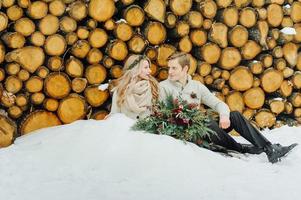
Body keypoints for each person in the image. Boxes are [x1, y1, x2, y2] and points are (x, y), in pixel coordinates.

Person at [159, 52, 297, 163]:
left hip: (206, 127)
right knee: (206, 121)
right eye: (169, 67)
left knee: (235, 115)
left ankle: (269, 148)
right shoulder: (164, 87)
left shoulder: (196, 86)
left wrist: (224, 115)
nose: (169, 71)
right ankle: (242, 148)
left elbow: (218, 103)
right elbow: (163, 115)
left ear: (185, 69)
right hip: (190, 132)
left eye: (173, 68)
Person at [109, 54, 159, 119]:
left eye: (149, 67)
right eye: (146, 67)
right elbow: (114, 116)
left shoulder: (154, 88)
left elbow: (160, 113)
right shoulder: (120, 91)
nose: (150, 71)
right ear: (135, 69)